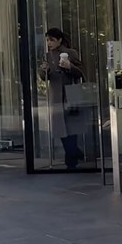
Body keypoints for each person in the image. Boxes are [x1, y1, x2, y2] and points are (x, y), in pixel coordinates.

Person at [39, 28, 86, 169]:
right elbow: (43, 77)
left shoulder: (70, 53)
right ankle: (74, 152)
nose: (49, 43)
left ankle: (71, 160)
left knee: (71, 128)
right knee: (60, 129)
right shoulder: (47, 56)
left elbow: (81, 72)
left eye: (52, 40)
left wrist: (69, 66)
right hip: (56, 96)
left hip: (70, 94)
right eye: (47, 40)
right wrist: (44, 70)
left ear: (59, 40)